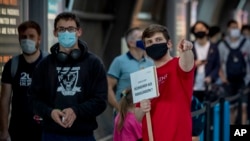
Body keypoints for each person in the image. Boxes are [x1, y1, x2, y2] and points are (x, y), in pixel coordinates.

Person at [28, 12, 107, 141]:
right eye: (62, 29)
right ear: (55, 32)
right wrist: (50, 112)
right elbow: (33, 100)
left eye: (71, 29)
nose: (66, 33)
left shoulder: (94, 63)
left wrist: (76, 111)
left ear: (79, 32)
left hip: (84, 136)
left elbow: (100, 101)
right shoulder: (45, 65)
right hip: (51, 135)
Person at [137, 24, 195, 141]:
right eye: (149, 42)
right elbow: (138, 117)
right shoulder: (144, 76)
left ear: (169, 44)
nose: (154, 44)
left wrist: (186, 50)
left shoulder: (178, 65)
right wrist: (142, 109)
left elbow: (187, 63)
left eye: (158, 40)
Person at [0, 21, 46, 141]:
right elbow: (5, 100)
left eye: (31, 36)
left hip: (45, 131)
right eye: (23, 37)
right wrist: (4, 131)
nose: (27, 40)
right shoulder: (12, 65)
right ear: (19, 39)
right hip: (18, 131)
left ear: (39, 39)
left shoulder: (49, 64)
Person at [107, 27, 154, 114]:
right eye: (140, 38)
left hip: (145, 114)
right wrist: (119, 108)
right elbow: (108, 88)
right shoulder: (119, 61)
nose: (144, 40)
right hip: (124, 115)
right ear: (131, 43)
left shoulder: (151, 63)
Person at [217, 19, 250, 125]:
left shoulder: (246, 43)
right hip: (229, 80)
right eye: (232, 27)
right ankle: (231, 132)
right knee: (231, 108)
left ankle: (242, 131)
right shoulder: (222, 45)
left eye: (236, 27)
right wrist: (222, 77)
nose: (234, 29)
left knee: (243, 107)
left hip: (244, 79)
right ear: (228, 29)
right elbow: (219, 63)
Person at [190, 21, 220, 103]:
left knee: (208, 112)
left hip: (208, 87)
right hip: (193, 86)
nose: (199, 31)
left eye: (201, 28)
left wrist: (211, 77)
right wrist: (194, 64)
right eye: (197, 29)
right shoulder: (190, 47)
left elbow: (217, 66)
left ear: (207, 30)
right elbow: (183, 65)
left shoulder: (214, 48)